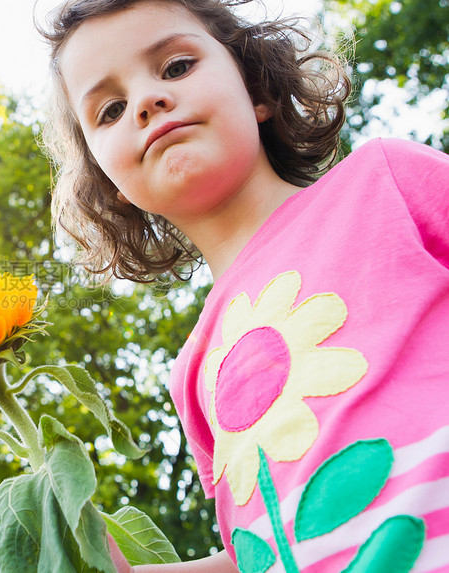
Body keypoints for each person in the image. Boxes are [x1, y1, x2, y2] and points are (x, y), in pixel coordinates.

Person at [38, 0, 449, 571]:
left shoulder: (386, 182)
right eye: (109, 109)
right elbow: (259, 551)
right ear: (110, 184)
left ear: (257, 90)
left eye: (176, 67)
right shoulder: (193, 371)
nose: (146, 101)